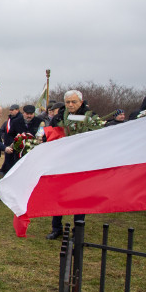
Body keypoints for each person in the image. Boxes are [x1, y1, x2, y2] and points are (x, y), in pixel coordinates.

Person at [46, 91, 90, 239]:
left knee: (79, 198)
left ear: (81, 102)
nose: (70, 105)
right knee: (59, 196)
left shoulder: (89, 117)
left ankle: (78, 230)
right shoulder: (59, 117)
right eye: (68, 102)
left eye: (74, 102)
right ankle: (56, 228)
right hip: (61, 163)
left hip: (81, 163)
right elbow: (51, 136)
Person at [0, 104, 27, 173]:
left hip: (15, 142)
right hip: (8, 142)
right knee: (8, 159)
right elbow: (4, 130)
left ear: (17, 110)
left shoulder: (20, 119)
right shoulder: (10, 118)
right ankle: (6, 170)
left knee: (13, 159)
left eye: (12, 110)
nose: (10, 111)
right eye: (10, 110)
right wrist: (4, 136)